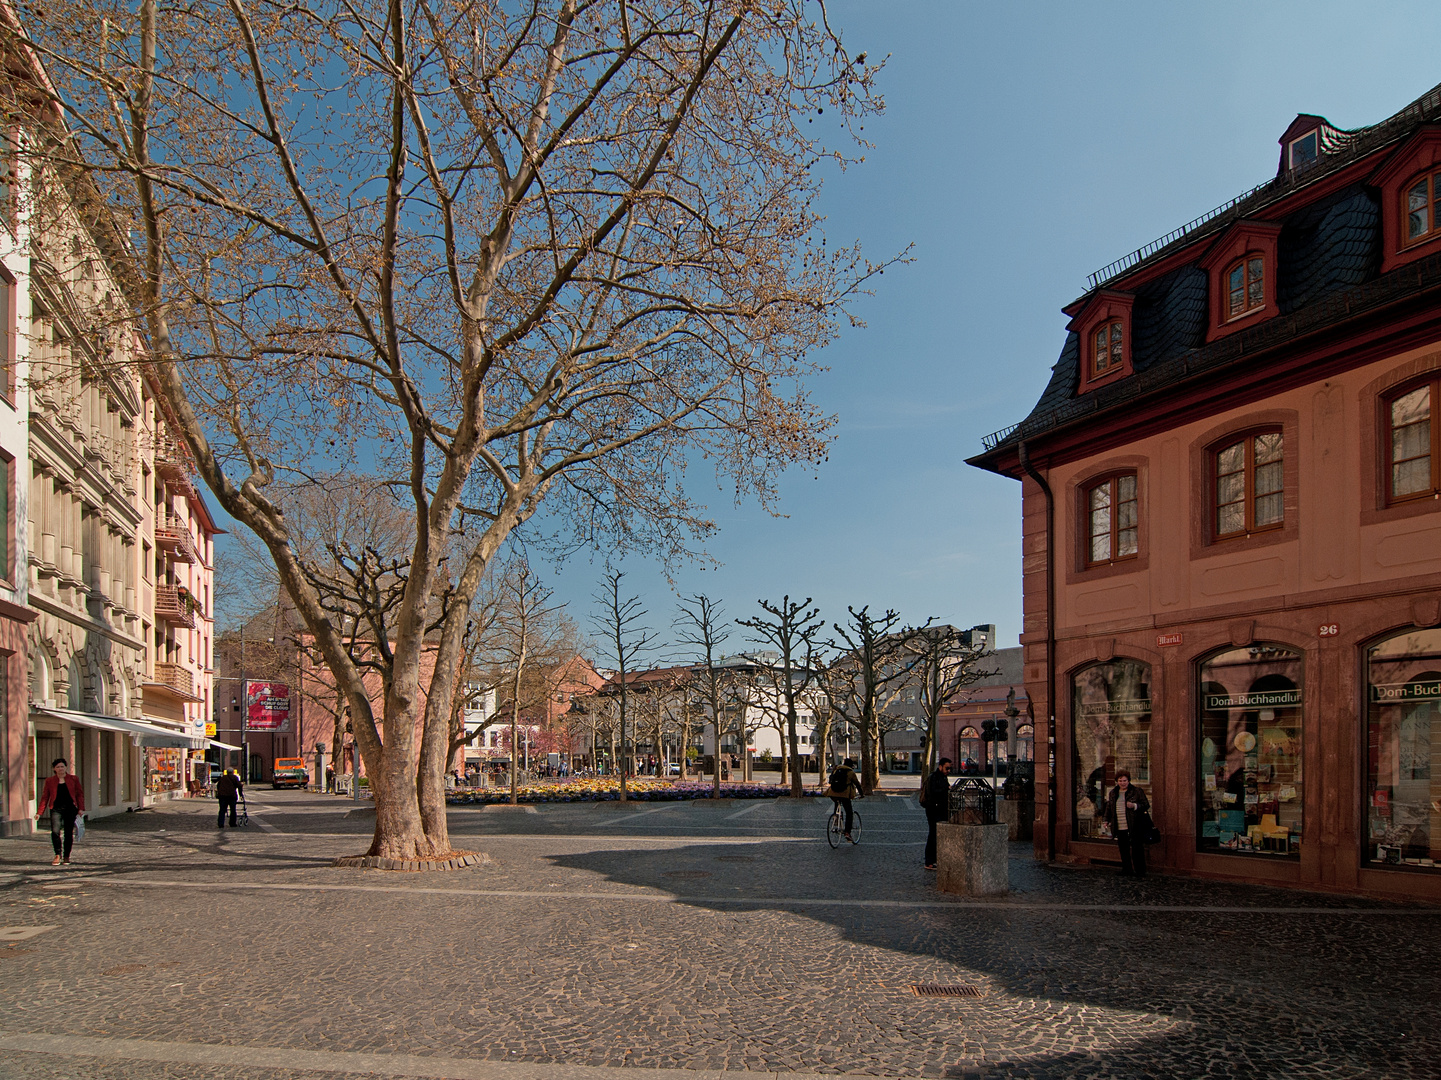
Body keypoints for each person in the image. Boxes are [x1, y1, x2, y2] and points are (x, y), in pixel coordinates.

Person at [37, 758, 84, 866]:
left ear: (66, 767)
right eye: (58, 767)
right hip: (56, 809)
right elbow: (45, 797)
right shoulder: (50, 781)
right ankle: (57, 854)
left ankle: (66, 855)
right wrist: (39, 812)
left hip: (70, 809)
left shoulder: (73, 779)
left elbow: (79, 794)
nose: (60, 769)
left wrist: (80, 808)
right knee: (55, 831)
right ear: (54, 769)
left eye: (62, 766)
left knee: (68, 833)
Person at [1104, 770, 1150, 877]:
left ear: (1128, 781)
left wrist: (1134, 806)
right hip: (1120, 825)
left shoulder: (1136, 791)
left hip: (1134, 825)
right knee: (1123, 848)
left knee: (1137, 849)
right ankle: (1127, 869)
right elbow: (1109, 808)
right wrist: (1106, 820)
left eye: (1125, 780)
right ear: (1117, 781)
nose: (1122, 783)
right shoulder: (1113, 793)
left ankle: (1140, 871)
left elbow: (1146, 804)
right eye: (1120, 781)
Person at [921, 757, 953, 870]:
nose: (948, 771)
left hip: (941, 809)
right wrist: (946, 789)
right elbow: (932, 793)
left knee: (937, 834)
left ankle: (935, 859)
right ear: (940, 767)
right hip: (933, 809)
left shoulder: (943, 778)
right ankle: (929, 861)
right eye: (947, 768)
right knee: (933, 834)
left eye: (950, 769)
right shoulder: (934, 778)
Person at [827, 757, 861, 842]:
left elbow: (830, 780)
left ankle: (836, 817)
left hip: (833, 793)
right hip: (845, 794)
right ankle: (847, 833)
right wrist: (862, 794)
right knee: (849, 813)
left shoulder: (836, 770)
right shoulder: (850, 772)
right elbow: (857, 784)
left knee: (837, 802)